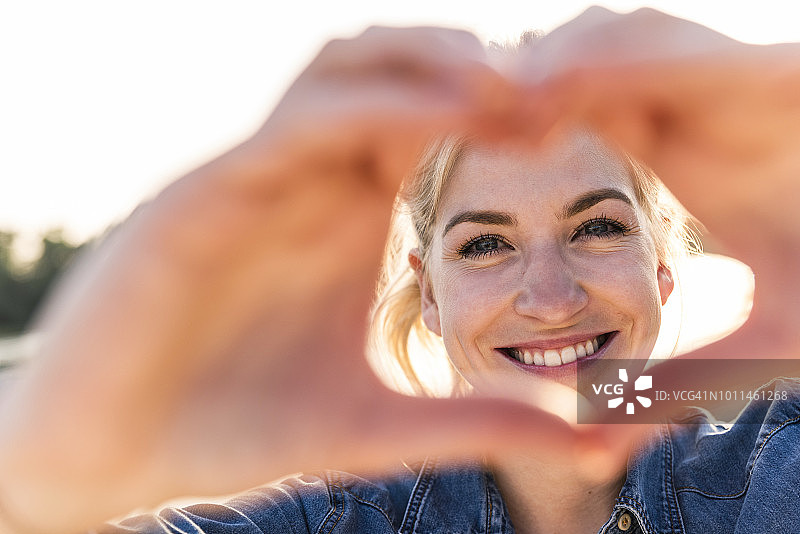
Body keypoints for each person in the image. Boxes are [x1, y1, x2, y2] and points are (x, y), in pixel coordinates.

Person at [1, 6, 800, 533]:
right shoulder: (331, 516)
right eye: (485, 244)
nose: (552, 298)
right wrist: (37, 479)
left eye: (595, 227)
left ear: (662, 268)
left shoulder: (772, 463)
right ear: (427, 294)